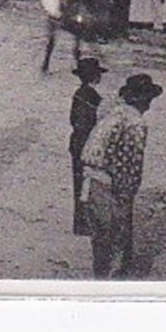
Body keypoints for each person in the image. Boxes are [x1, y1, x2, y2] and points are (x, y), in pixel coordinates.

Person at [81, 73, 163, 278]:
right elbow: (130, 164)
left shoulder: (114, 113)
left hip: (92, 181)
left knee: (100, 239)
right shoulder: (135, 124)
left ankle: (99, 279)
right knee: (117, 238)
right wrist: (127, 193)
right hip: (111, 185)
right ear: (144, 100)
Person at [69, 57, 107, 236]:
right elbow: (86, 123)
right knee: (87, 185)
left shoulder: (79, 93)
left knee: (79, 183)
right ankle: (84, 223)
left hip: (76, 142)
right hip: (86, 144)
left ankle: (80, 222)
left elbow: (73, 120)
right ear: (94, 77)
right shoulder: (91, 97)